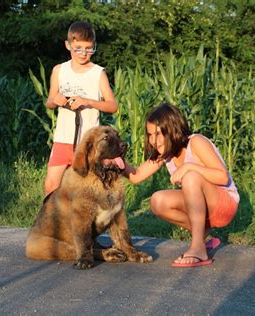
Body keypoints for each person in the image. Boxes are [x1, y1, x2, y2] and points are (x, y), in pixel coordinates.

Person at [123, 103, 239, 268]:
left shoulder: (196, 142)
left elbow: (222, 177)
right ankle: (201, 235)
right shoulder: (166, 153)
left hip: (223, 204)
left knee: (190, 177)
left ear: (172, 129)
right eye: (150, 135)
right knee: (157, 200)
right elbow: (136, 176)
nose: (153, 140)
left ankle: (198, 248)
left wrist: (189, 166)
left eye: (158, 133)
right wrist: (117, 163)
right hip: (201, 208)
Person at [44, 21, 117, 196]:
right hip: (63, 138)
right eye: (78, 48)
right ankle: (51, 221)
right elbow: (49, 102)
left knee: (87, 189)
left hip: (89, 142)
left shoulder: (98, 73)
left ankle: (86, 222)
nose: (83, 54)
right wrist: (56, 99)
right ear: (68, 45)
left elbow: (112, 106)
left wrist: (88, 101)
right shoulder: (59, 70)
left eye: (89, 48)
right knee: (51, 184)